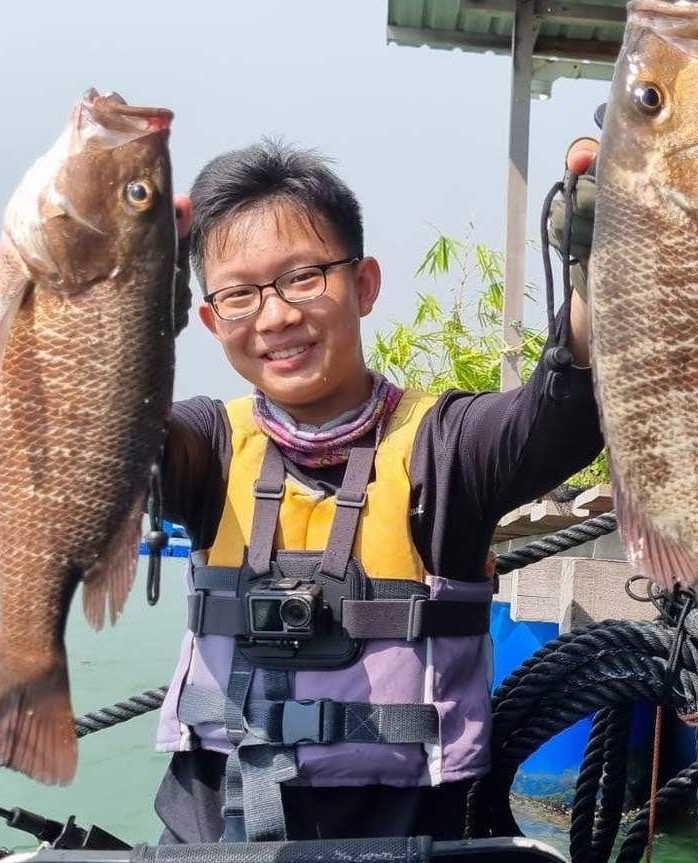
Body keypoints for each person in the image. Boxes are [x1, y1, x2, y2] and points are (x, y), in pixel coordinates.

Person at [151, 136, 602, 845]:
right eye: (239, 293)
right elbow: (112, 437)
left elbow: (563, 418)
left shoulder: (448, 443)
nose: (274, 317)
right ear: (209, 319)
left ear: (362, 284)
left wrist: (598, 269)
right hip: (214, 828)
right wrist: (131, 300)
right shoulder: (205, 444)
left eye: (303, 277)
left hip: (414, 835)